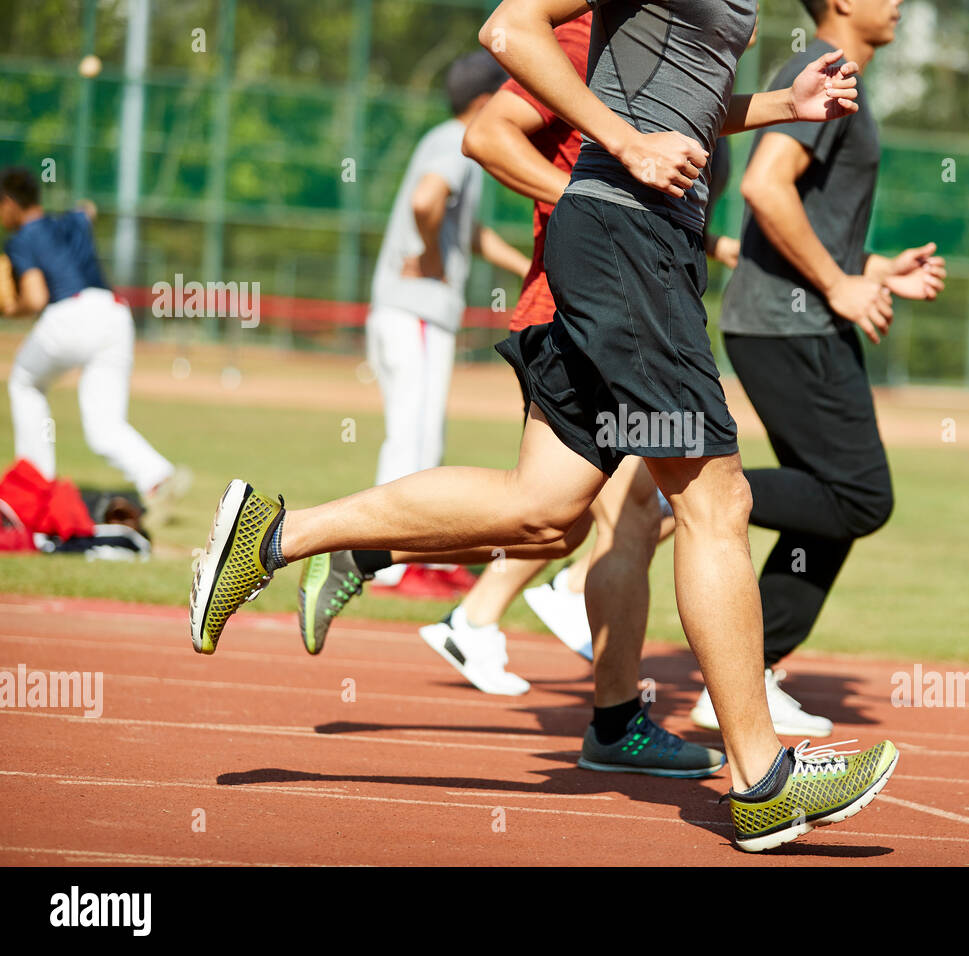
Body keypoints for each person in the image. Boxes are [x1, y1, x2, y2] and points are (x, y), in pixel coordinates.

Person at [191, 0, 897, 853]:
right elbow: (509, 29)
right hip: (624, 239)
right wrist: (626, 146)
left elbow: (686, 108)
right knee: (717, 499)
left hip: (646, 245)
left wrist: (784, 107)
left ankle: (277, 535)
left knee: (545, 508)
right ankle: (762, 780)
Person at [297, 13, 723, 782]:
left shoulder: (664, 45)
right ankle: (613, 713)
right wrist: (603, 209)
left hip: (628, 297)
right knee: (642, 510)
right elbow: (490, 135)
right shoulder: (586, 32)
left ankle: (373, 552)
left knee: (557, 521)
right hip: (588, 301)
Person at [695, 0, 946, 739]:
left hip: (787, 322)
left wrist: (872, 269)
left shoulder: (838, 79)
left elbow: (802, 217)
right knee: (861, 496)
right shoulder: (823, 72)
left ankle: (748, 674)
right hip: (788, 326)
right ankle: (691, 495)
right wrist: (837, 286)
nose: (898, 1)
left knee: (833, 509)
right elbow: (764, 185)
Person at [365, 51, 532, 597]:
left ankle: (409, 556)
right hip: (414, 309)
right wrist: (431, 255)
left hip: (406, 309)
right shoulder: (457, 141)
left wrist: (528, 264)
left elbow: (467, 230)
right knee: (413, 437)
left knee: (417, 434)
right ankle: (391, 560)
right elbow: (425, 200)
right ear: (485, 103)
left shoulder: (447, 137)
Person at [2, 167, 182, 510]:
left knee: (24, 383)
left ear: (10, 203)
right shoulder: (72, 220)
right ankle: (157, 475)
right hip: (114, 314)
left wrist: (10, 309)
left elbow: (36, 298)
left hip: (71, 315)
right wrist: (82, 210)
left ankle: (35, 481)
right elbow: (88, 210)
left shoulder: (23, 238)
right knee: (103, 425)